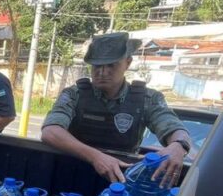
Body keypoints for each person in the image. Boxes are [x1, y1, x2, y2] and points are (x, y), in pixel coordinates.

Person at [41, 32, 191, 185]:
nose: (102, 72)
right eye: (97, 65)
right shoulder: (74, 94)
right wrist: (96, 157)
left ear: (128, 63)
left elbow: (173, 127)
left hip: (121, 183)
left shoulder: (148, 99)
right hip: (73, 178)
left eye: (111, 65)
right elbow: (50, 131)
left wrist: (178, 146)